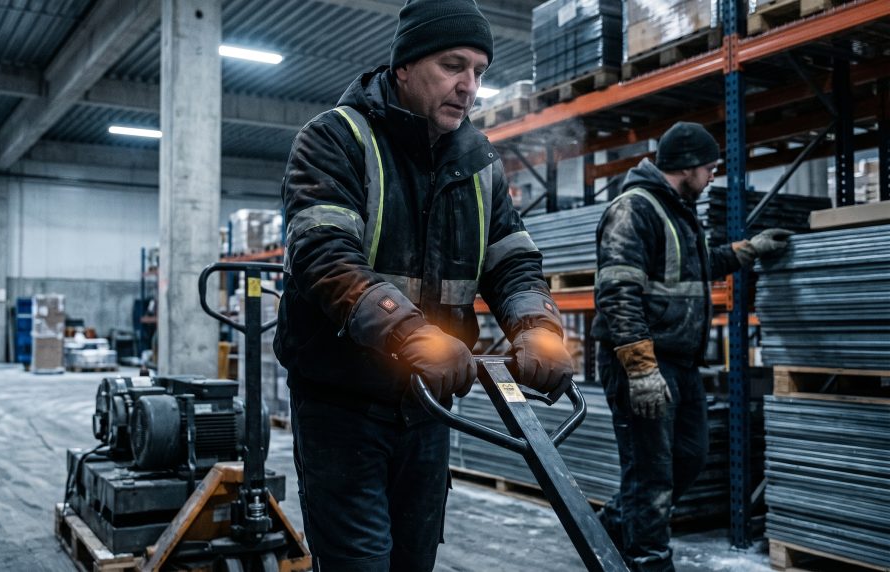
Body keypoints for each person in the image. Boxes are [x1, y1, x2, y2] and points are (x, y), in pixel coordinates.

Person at [274, 1, 575, 570]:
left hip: (430, 407)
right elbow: (324, 255)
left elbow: (511, 260)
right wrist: (409, 332)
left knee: (413, 561)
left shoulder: (479, 162)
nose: (469, 86)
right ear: (405, 67)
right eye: (452, 65)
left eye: (479, 71)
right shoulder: (335, 140)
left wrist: (537, 327)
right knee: (360, 563)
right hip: (343, 405)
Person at [592, 121, 792, 571]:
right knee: (651, 471)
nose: (713, 175)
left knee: (689, 456)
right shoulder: (635, 209)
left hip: (679, 361)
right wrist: (641, 369)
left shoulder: (678, 210)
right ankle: (649, 562)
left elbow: (698, 266)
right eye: (710, 167)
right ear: (687, 167)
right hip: (643, 360)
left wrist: (749, 250)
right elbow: (618, 293)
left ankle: (615, 524)